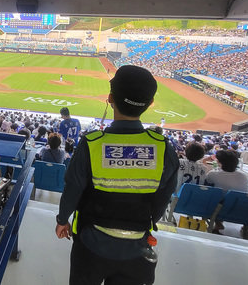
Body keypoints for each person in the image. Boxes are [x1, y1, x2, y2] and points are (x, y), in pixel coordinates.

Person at [55, 65, 179, 285]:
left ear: (110, 98)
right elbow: (162, 199)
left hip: (90, 243)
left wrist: (63, 220)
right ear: (150, 104)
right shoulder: (163, 148)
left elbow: (73, 188)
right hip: (138, 246)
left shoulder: (91, 144)